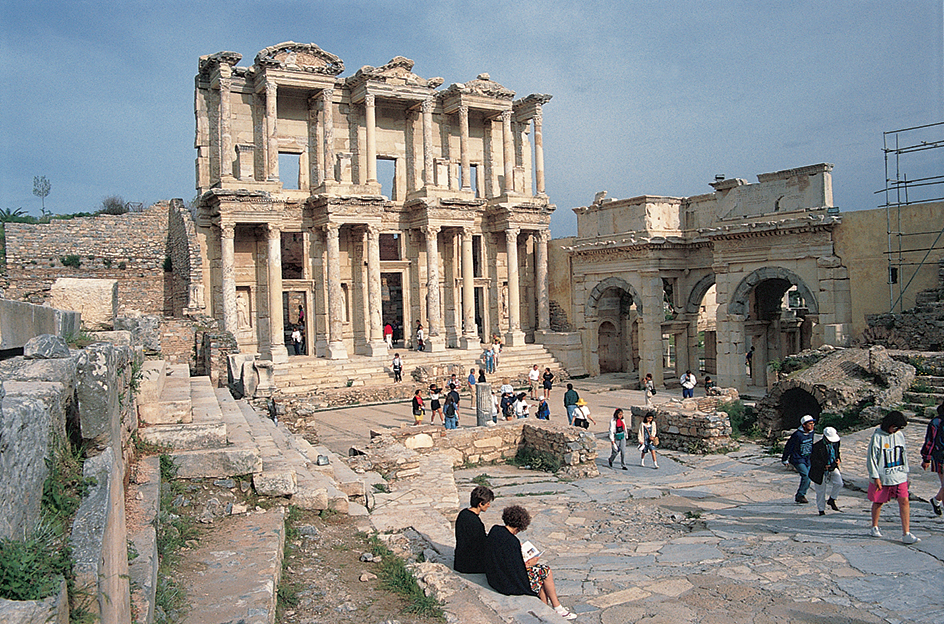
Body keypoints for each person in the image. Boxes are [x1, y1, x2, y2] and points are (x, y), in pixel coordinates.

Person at [483, 505, 577, 620]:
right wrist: (530, 563)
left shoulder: (495, 529)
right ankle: (557, 608)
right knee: (545, 571)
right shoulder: (512, 542)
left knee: (541, 578)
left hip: (494, 576)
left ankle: (548, 609)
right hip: (506, 583)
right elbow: (517, 570)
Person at [867, 410, 919, 543]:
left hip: (899, 474)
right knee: (878, 502)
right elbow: (872, 458)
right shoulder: (877, 437)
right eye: (894, 427)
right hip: (883, 475)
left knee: (904, 501)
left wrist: (906, 473)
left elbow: (904, 454)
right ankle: (874, 526)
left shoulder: (899, 435)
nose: (895, 430)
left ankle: (906, 532)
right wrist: (875, 477)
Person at [454, 486, 494, 573]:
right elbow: (482, 545)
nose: (489, 505)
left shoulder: (463, 513)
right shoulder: (475, 523)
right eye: (487, 503)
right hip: (469, 565)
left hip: (459, 561)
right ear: (480, 504)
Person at [782, 414, 816, 503]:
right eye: (810, 424)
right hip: (798, 459)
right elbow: (789, 446)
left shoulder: (811, 432)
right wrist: (785, 459)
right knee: (806, 476)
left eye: (813, 424)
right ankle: (800, 495)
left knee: (809, 476)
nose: (812, 426)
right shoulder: (797, 435)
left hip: (807, 458)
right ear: (804, 425)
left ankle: (800, 495)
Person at [810, 426, 843, 515]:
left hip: (833, 466)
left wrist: (838, 459)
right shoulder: (817, 446)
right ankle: (821, 509)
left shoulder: (836, 443)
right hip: (820, 471)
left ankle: (832, 499)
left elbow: (837, 452)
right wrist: (823, 466)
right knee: (821, 490)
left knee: (839, 483)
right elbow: (813, 460)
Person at [919, 402, 944, 516]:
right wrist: (926, 458)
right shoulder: (936, 422)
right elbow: (930, 440)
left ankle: (936, 500)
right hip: (941, 457)